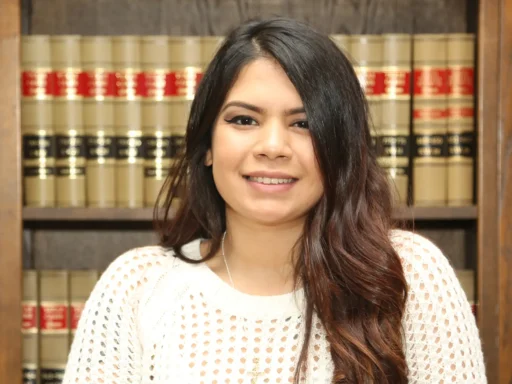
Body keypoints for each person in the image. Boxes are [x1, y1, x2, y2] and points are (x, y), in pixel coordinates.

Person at [63, 17, 486, 383]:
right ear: (207, 145)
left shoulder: (409, 275)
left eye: (303, 123)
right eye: (243, 119)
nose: (272, 146)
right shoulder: (138, 287)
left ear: (339, 147)